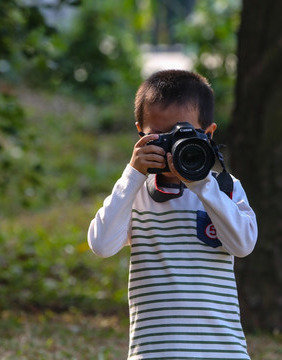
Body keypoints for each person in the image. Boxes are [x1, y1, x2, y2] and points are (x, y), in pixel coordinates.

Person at [88, 69, 257, 359]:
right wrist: (132, 176)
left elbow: (242, 245)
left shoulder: (225, 189)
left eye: (183, 134)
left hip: (223, 351)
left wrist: (202, 184)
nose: (171, 148)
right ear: (140, 132)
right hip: (156, 352)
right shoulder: (135, 193)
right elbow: (101, 245)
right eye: (159, 136)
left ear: (208, 134)